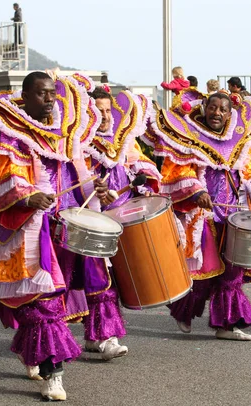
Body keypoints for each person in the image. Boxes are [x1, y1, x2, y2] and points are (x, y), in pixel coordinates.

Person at [0, 72, 107, 401]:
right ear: (25, 95)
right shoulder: (6, 132)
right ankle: (55, 375)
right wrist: (26, 196)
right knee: (43, 304)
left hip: (65, 231)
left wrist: (97, 190)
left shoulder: (66, 133)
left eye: (52, 93)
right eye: (41, 94)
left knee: (57, 303)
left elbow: (79, 175)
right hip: (29, 232)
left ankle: (36, 352)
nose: (50, 99)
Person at [142, 90, 251, 341]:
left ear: (230, 113)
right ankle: (183, 312)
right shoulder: (189, 137)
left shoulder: (239, 139)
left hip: (234, 214)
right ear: (204, 108)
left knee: (232, 272)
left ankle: (226, 325)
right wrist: (196, 190)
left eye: (223, 109)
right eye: (213, 108)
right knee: (205, 272)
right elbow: (177, 171)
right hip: (203, 216)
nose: (217, 113)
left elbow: (248, 172)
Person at [82, 87, 161, 360]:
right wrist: (93, 187)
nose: (104, 116)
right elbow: (72, 179)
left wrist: (143, 181)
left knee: (115, 279)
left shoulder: (124, 139)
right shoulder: (78, 142)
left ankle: (96, 337)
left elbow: (143, 166)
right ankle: (107, 337)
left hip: (122, 219)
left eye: (107, 111)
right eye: (98, 111)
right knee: (99, 281)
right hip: (93, 222)